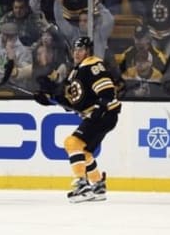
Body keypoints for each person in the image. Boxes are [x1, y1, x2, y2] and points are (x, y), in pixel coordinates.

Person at [33, 36, 122, 203]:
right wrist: (49, 98)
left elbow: (108, 92)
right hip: (102, 115)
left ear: (88, 51)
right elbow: (72, 103)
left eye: (80, 49)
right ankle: (97, 185)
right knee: (84, 151)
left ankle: (82, 186)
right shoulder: (76, 71)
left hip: (104, 113)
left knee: (72, 143)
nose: (76, 53)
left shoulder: (93, 65)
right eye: (75, 50)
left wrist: (98, 111)